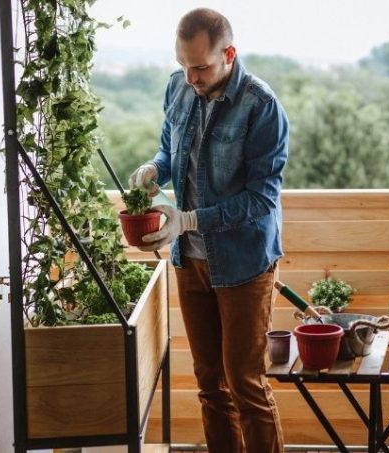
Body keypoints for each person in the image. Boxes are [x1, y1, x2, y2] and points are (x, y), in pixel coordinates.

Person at [128, 7, 288, 453]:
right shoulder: (178, 87)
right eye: (183, 65)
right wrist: (153, 170)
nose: (191, 77)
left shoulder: (262, 106)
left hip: (244, 264)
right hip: (189, 261)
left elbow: (261, 199)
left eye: (200, 67)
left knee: (245, 385)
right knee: (209, 384)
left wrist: (190, 220)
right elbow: (168, 150)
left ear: (229, 54)